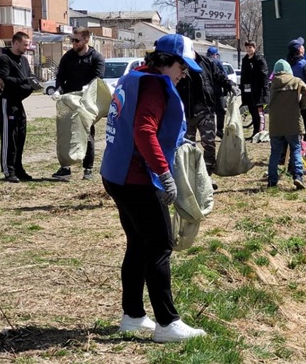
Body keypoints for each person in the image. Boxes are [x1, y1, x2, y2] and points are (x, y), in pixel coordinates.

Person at [100, 34, 206, 343]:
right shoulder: (155, 85)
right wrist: (164, 173)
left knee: (138, 244)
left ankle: (133, 316)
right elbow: (144, 130)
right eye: (181, 67)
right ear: (167, 62)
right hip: (136, 178)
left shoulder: (133, 76)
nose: (183, 74)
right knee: (160, 245)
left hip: (116, 174)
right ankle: (167, 323)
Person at [176, 49, 236, 190]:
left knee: (209, 144)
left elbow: (219, 76)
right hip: (187, 113)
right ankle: (192, 175)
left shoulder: (206, 63)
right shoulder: (179, 63)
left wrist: (230, 85)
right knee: (187, 146)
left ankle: (208, 175)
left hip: (206, 110)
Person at [51, 27, 106, 181]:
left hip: (86, 101)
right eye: (72, 40)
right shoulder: (68, 57)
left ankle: (88, 168)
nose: (73, 43)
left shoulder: (96, 58)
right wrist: (58, 89)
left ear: (86, 40)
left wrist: (87, 88)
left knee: (87, 133)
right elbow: (61, 75)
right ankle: (65, 167)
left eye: (76, 40)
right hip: (69, 100)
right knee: (66, 133)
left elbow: (98, 79)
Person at [0, 31, 35, 183]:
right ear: (16, 43)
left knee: (20, 135)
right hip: (7, 101)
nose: (27, 47)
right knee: (9, 136)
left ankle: (18, 168)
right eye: (25, 44)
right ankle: (8, 169)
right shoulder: (4, 59)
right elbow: (4, 79)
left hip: (19, 101)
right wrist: (23, 81)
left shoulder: (24, 61)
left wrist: (30, 85)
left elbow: (29, 78)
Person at [267, 59, 306, 190]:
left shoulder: (271, 82)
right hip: (293, 122)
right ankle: (298, 176)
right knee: (296, 149)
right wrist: (302, 105)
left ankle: (272, 180)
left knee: (275, 152)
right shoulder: (296, 81)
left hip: (275, 123)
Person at [240, 40, 270, 138]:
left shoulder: (259, 60)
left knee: (259, 113)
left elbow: (264, 75)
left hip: (258, 91)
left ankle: (260, 132)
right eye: (247, 47)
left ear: (254, 48)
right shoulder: (245, 60)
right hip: (248, 91)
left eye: (250, 47)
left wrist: (265, 90)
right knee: (252, 112)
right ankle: (255, 131)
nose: (248, 49)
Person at [206, 46, 227, 138]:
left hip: (207, 91)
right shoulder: (217, 63)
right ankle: (219, 129)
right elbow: (224, 76)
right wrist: (226, 89)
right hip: (217, 90)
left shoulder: (203, 62)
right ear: (215, 55)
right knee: (220, 111)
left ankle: (209, 130)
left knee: (209, 112)